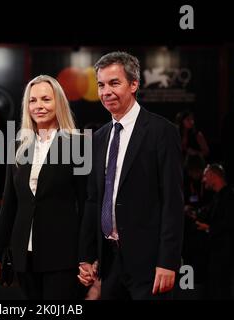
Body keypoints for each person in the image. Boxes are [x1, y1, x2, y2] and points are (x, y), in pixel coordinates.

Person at [78, 52, 184, 300]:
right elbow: (93, 200)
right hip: (109, 261)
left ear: (134, 83)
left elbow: (173, 202)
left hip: (150, 264)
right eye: (101, 85)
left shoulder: (162, 132)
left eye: (114, 83)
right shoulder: (99, 138)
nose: (106, 92)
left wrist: (168, 261)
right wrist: (86, 255)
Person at [0, 75, 87, 300]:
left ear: (58, 103)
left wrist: (87, 256)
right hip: (23, 254)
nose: (39, 106)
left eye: (46, 99)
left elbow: (85, 205)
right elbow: (9, 203)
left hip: (63, 254)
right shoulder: (17, 146)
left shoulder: (79, 144)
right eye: (33, 100)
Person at [195, 164, 234, 299]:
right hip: (215, 254)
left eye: (205, 176)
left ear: (213, 175)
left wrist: (209, 228)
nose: (203, 180)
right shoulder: (217, 198)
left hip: (225, 254)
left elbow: (230, 224)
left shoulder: (233, 198)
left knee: (221, 290)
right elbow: (204, 213)